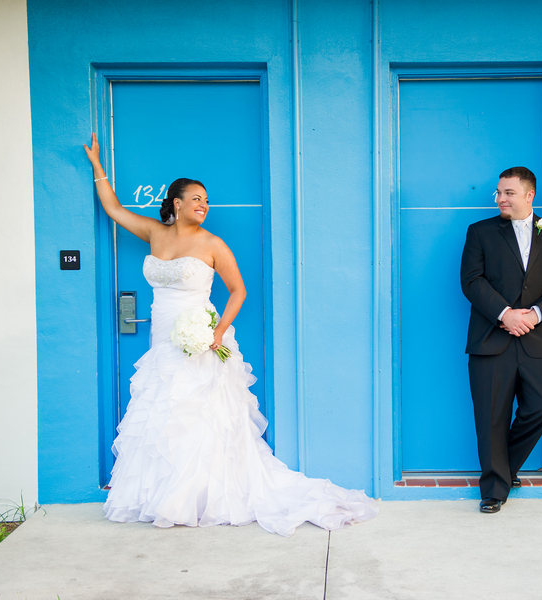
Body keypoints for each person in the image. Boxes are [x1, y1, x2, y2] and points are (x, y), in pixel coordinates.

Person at [83, 133, 378, 536]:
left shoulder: (212, 243)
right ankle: (164, 495)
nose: (204, 205)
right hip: (162, 343)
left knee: (201, 416)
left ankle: (201, 497)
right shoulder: (156, 233)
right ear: (176, 203)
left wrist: (217, 332)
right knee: (163, 415)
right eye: (196, 199)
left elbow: (238, 291)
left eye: (207, 200)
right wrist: (98, 166)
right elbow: (114, 209)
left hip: (200, 340)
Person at [460, 166, 542, 514]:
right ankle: (494, 490)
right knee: (491, 416)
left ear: (529, 195)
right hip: (490, 339)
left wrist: (535, 314)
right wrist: (505, 314)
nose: (500, 199)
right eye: (498, 193)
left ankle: (503, 469)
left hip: (536, 340)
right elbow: (471, 281)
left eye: (508, 192)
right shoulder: (480, 232)